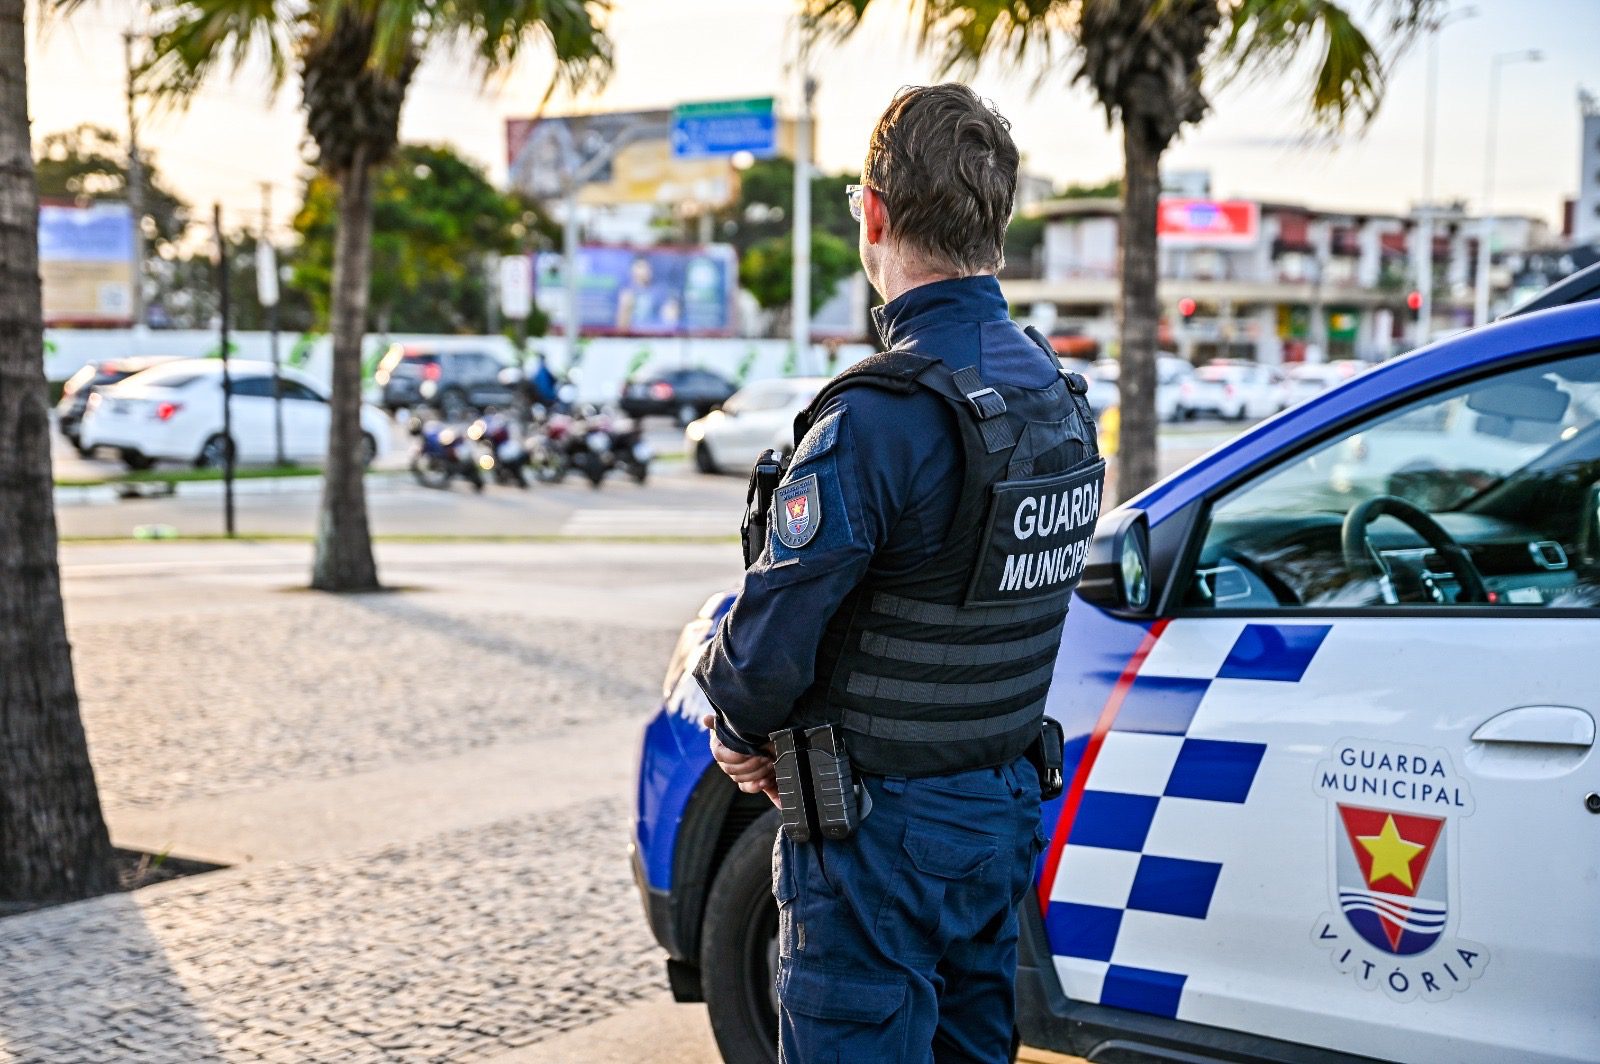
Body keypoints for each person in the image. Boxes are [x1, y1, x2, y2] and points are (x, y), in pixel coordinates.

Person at [693, 84, 1103, 1063]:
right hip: (996, 809)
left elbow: (765, 643)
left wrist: (739, 727)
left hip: (878, 837)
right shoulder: (1057, 394)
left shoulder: (880, 414)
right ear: (995, 228)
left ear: (873, 214)